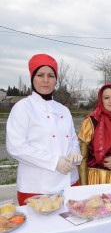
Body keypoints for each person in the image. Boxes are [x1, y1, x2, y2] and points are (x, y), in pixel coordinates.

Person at [6, 54, 83, 205]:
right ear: (32, 78)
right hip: (37, 188)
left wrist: (75, 151)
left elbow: (73, 138)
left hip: (69, 182)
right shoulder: (22, 108)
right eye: (40, 75)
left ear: (56, 79)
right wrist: (55, 162)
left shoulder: (63, 110)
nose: (46, 80)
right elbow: (16, 147)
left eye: (51, 75)